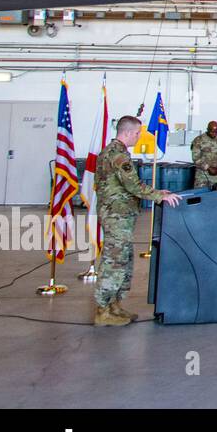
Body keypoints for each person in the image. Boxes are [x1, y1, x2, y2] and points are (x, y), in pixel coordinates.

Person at [93, 115, 182, 326]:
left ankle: (114, 305)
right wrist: (161, 196)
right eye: (137, 133)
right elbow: (133, 186)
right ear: (128, 133)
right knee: (114, 261)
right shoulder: (118, 156)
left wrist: (156, 191)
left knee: (122, 259)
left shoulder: (113, 152)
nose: (139, 136)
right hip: (116, 215)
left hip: (119, 214)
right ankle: (103, 310)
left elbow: (129, 184)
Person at [190, 120, 217, 189]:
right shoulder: (199, 140)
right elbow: (196, 158)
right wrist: (208, 168)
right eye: (212, 131)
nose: (214, 134)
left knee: (216, 196)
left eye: (216, 132)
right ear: (207, 129)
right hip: (202, 176)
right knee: (200, 196)